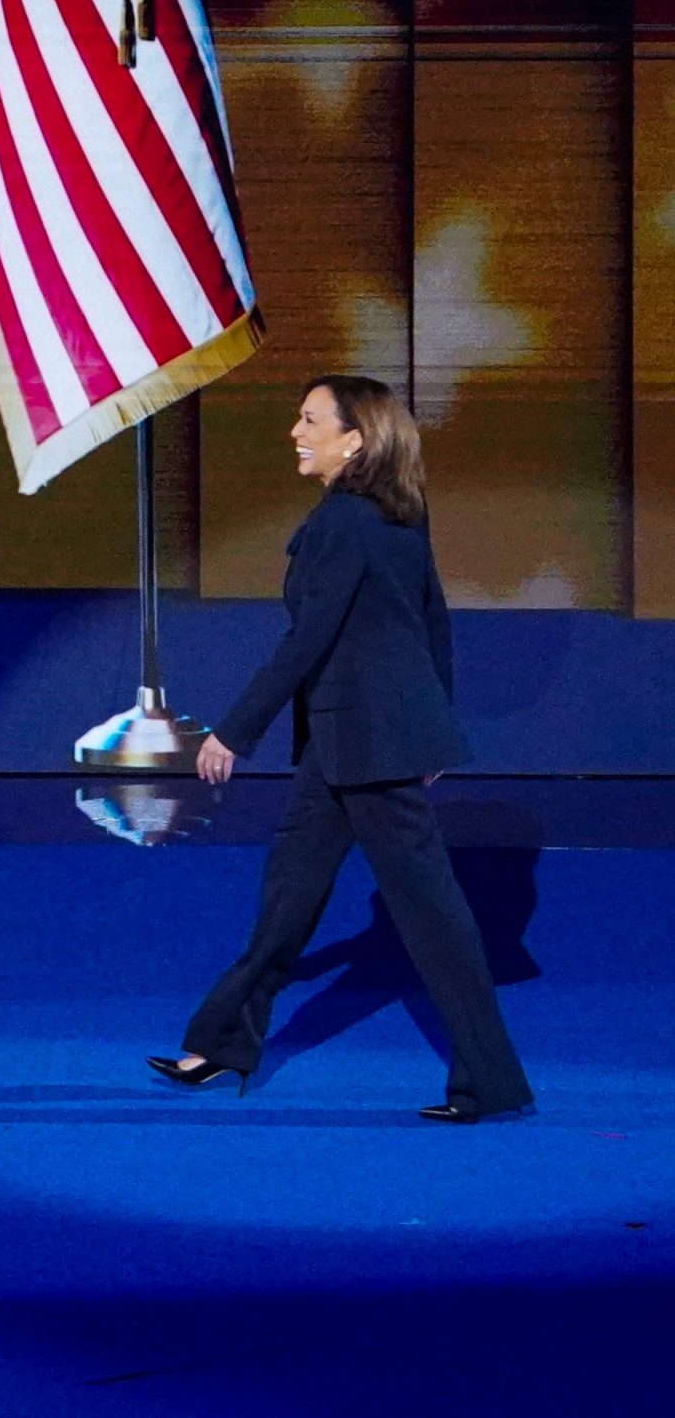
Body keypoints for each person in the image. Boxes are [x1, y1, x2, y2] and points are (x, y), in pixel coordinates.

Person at [148, 375, 533, 1123]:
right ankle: (225, 1041)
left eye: (309, 419)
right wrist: (433, 724)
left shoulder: (344, 523)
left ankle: (492, 1080)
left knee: (433, 917)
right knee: (291, 891)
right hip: (352, 738)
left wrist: (235, 729)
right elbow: (433, 622)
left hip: (370, 743)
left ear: (353, 439)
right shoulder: (398, 514)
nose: (295, 430)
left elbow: (310, 639)